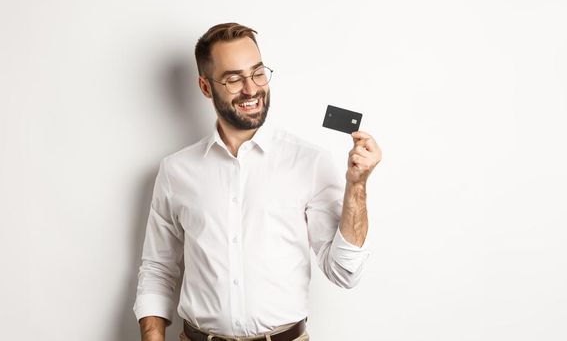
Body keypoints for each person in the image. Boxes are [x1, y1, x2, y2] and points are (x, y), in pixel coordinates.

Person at [134, 22, 382, 341]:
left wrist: (357, 187)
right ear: (206, 87)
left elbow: (344, 273)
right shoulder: (175, 170)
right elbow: (158, 270)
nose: (251, 89)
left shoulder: (309, 161)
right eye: (234, 79)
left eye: (258, 73)